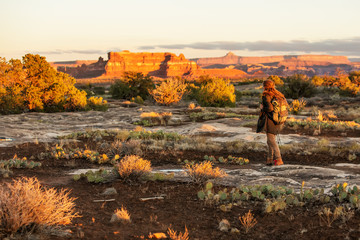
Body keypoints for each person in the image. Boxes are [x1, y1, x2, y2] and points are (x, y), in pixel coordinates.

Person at [256, 79, 287, 166]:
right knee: (269, 140)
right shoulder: (278, 94)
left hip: (270, 120)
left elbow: (269, 108)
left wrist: (262, 108)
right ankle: (269, 159)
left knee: (271, 140)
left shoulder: (267, 95)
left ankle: (279, 159)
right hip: (278, 120)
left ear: (265, 86)